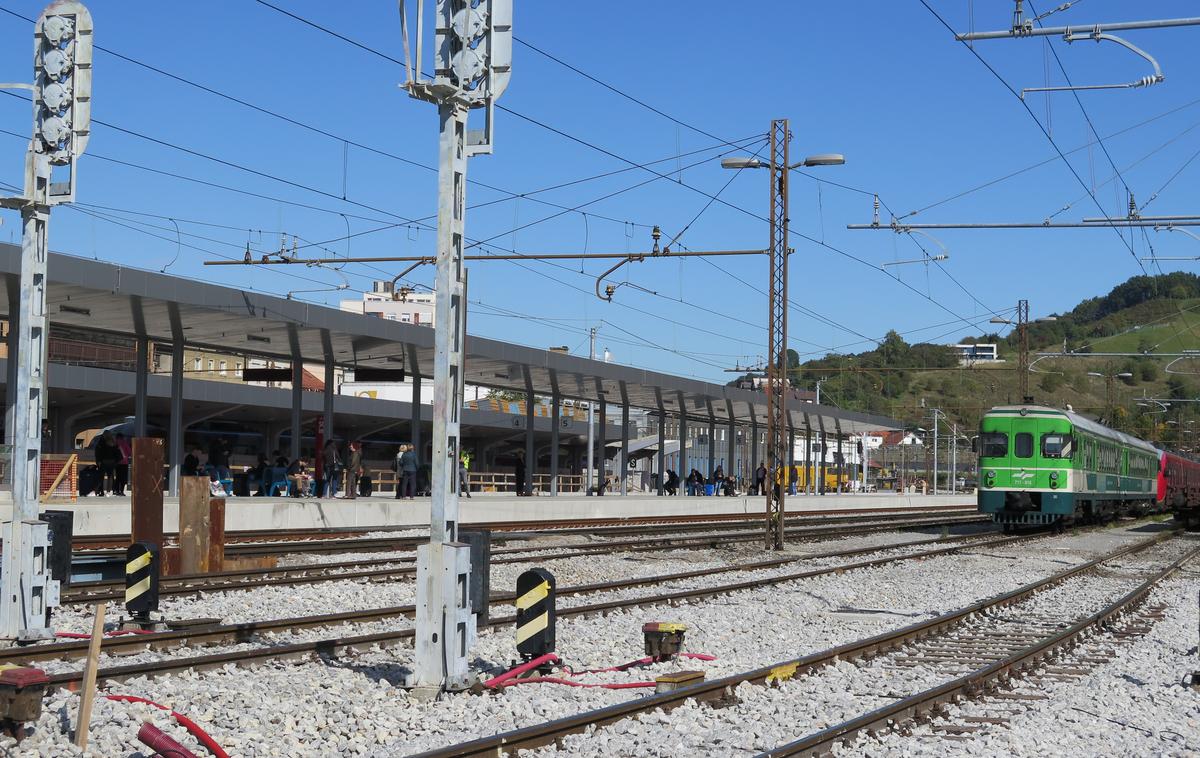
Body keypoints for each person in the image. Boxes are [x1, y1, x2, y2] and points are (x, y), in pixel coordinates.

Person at [93, 430, 120, 496]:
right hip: (112, 462)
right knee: (110, 476)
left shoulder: (102, 442)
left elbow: (98, 452)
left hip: (104, 461)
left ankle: (97, 491)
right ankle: (108, 492)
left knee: (100, 476)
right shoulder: (114, 443)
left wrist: (98, 461)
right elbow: (117, 453)